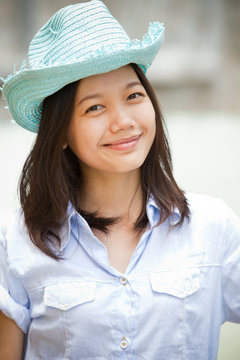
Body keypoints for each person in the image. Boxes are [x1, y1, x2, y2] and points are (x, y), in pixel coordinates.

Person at [0, 1, 239, 359]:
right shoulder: (18, 240)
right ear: (61, 131)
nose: (123, 120)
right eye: (95, 107)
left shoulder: (212, 226)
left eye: (133, 95)